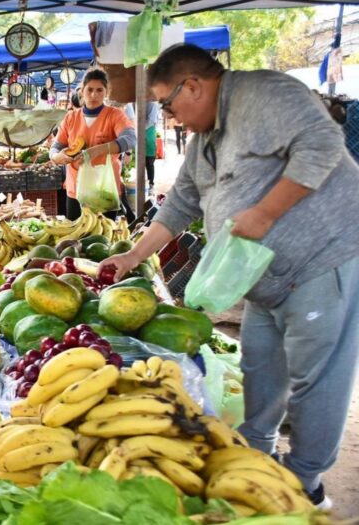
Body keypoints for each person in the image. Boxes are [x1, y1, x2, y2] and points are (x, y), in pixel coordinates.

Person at [101, 44, 359, 510]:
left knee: (315, 378)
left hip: (321, 258)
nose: (171, 117)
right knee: (260, 368)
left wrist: (264, 212)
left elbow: (323, 145)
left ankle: (306, 483)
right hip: (260, 275)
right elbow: (180, 203)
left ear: (193, 86)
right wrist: (132, 257)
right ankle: (253, 457)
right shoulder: (205, 138)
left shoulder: (265, 94)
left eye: (168, 105)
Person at [49, 69, 136, 221]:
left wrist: (98, 150)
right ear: (82, 91)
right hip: (75, 191)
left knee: (103, 240)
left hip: (105, 189)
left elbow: (130, 139)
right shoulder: (71, 117)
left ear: (106, 92)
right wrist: (57, 157)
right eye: (89, 90)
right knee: (75, 238)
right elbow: (55, 147)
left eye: (99, 90)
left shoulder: (114, 115)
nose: (94, 95)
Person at [125, 100, 161, 190]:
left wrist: (138, 128)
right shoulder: (132, 103)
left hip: (148, 133)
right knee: (139, 161)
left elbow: (151, 121)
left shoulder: (152, 104)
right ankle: (141, 182)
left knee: (149, 161)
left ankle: (151, 183)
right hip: (137, 132)